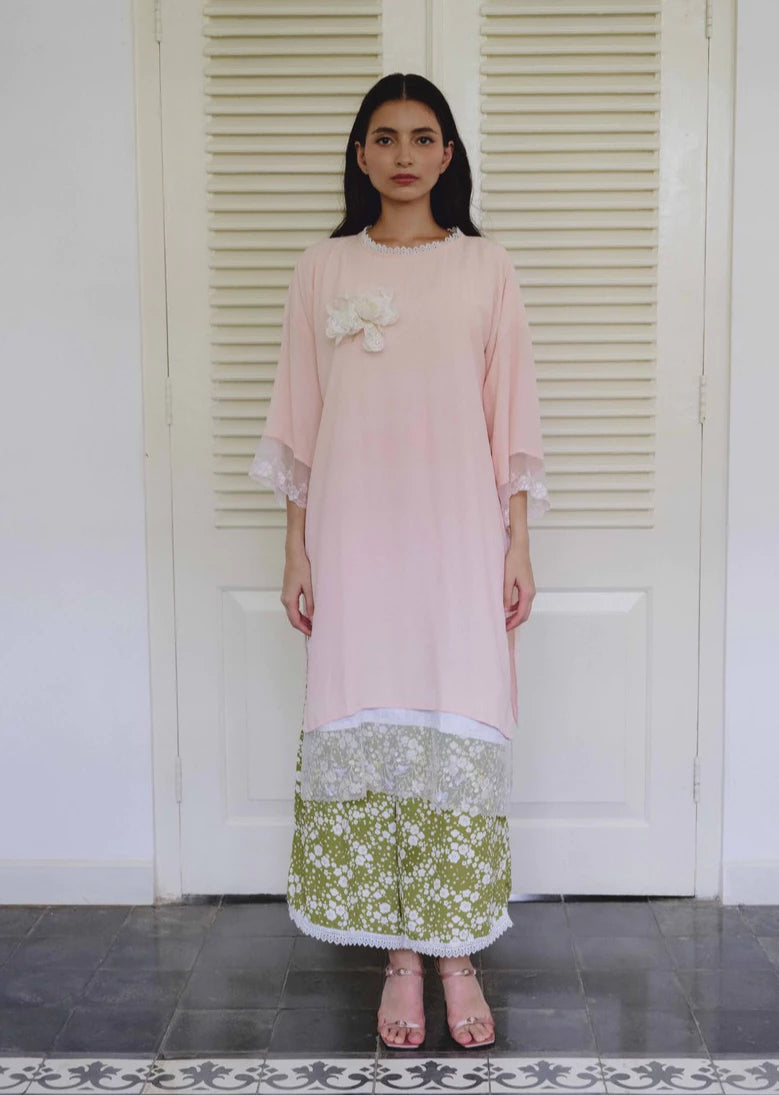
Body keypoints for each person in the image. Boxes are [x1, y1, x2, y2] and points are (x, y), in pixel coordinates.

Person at [249, 72, 550, 1050]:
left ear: (447, 154)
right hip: (352, 537)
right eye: (385, 136)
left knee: (451, 723)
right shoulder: (319, 268)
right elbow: (299, 422)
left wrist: (516, 542)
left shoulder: (485, 267)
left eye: (423, 136)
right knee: (366, 719)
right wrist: (294, 550)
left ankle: (457, 951)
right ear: (362, 154)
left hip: (457, 538)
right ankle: (400, 959)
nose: (405, 153)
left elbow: (511, 419)